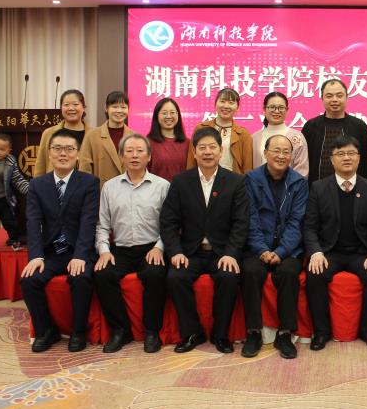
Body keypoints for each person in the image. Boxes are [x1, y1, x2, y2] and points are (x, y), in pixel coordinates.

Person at [161, 126, 250, 354]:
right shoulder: (181, 181)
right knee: (175, 277)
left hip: (222, 252)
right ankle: (192, 333)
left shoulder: (236, 181)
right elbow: (168, 221)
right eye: (202, 148)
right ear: (194, 152)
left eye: (212, 147)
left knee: (229, 277)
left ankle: (221, 335)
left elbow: (241, 223)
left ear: (221, 150)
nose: (207, 152)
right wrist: (176, 252)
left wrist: (231, 253)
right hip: (190, 251)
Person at [304, 135, 367, 350]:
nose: (346, 158)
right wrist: (316, 252)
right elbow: (309, 227)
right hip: (329, 252)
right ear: (332, 160)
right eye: (340, 154)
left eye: (351, 153)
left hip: (361, 252)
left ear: (359, 158)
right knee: (314, 275)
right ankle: (321, 332)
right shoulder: (319, 188)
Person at [20, 129, 99, 353]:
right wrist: (36, 256)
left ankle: (78, 332)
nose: (63, 153)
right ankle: (46, 331)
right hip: (51, 252)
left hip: (78, 249)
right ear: (49, 153)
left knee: (81, 278)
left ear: (77, 154)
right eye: (57, 148)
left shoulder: (89, 182)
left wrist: (80, 255)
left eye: (69, 149)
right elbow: (33, 222)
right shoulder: (37, 184)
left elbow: (89, 222)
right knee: (29, 280)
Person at [94, 134, 170, 353]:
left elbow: (170, 225)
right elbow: (102, 225)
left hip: (151, 248)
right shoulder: (110, 187)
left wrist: (159, 247)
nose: (134, 155)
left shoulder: (162, 186)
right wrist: (104, 251)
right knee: (102, 274)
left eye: (139, 151)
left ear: (149, 156)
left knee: (155, 274)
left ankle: (151, 331)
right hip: (120, 249)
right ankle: (121, 331)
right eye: (129, 151)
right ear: (121, 156)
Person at [242, 134, 308, 359]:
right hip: (256, 247)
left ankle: (285, 333)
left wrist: (280, 252)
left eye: (286, 152)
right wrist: (261, 250)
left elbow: (297, 222)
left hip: (288, 249)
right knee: (251, 271)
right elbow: (249, 219)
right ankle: (253, 332)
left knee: (289, 272)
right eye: (276, 151)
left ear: (291, 156)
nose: (281, 156)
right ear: (265, 153)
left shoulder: (299, 182)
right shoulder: (250, 179)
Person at [301, 78, 367, 183]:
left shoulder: (359, 126)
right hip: (316, 188)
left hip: (353, 188)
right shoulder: (311, 126)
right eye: (329, 96)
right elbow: (303, 161)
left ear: (346, 97)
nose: (334, 100)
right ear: (322, 98)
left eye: (339, 95)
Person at [187, 87, 252, 174]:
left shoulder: (243, 134)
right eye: (222, 101)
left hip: (233, 180)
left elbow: (247, 167)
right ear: (215, 104)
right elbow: (191, 160)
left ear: (237, 107)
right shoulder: (201, 128)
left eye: (231, 103)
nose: (226, 106)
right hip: (204, 179)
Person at [79, 90, 134, 188]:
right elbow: (85, 169)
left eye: (123, 107)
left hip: (129, 191)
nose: (119, 111)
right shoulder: (92, 136)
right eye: (115, 107)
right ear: (106, 108)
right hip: (100, 191)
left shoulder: (135, 137)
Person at [251, 92, 309, 177]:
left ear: (287, 110)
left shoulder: (297, 137)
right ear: (264, 109)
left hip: (290, 185)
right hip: (258, 184)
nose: (277, 111)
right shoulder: (254, 138)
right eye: (272, 107)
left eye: (281, 107)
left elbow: (301, 171)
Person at [34, 89, 90, 177]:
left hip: (85, 183)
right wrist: (38, 184)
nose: (71, 108)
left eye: (75, 104)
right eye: (66, 105)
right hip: (53, 183)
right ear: (61, 108)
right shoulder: (48, 133)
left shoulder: (93, 134)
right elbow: (41, 164)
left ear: (83, 107)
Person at [147, 97, 189, 182]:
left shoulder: (188, 143)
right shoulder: (147, 143)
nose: (169, 116)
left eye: (172, 112)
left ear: (178, 115)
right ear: (157, 116)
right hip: (157, 189)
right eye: (164, 113)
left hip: (182, 190)